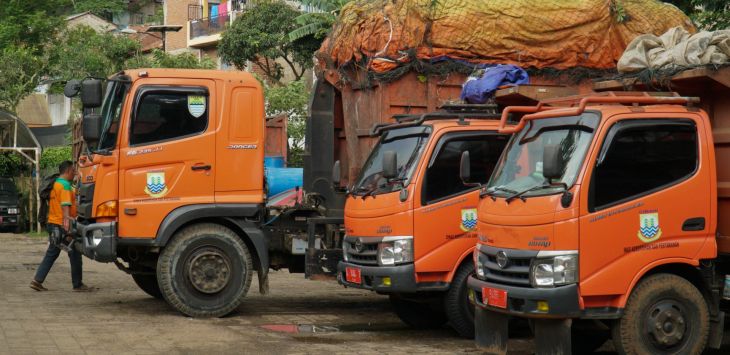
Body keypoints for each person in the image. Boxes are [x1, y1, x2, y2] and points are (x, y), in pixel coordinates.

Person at [30, 161, 93, 292]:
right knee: (74, 252)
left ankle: (37, 280)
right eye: (74, 171)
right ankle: (78, 284)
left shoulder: (55, 184)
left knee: (53, 253)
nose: (75, 173)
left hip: (53, 223)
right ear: (69, 171)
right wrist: (68, 226)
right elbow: (65, 206)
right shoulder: (64, 186)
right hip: (61, 225)